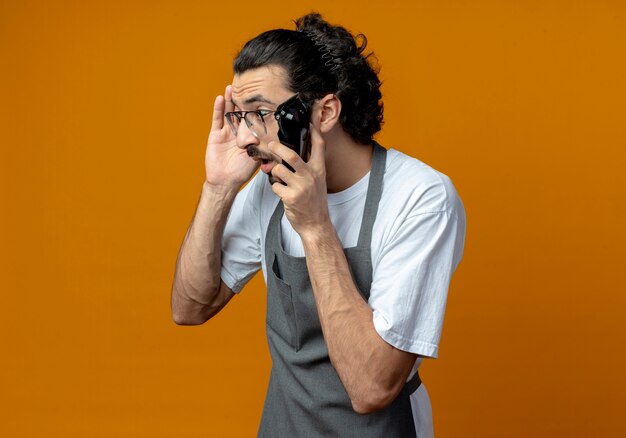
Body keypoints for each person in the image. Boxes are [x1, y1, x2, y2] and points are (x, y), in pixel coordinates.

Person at [171, 13, 466, 438]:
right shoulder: (265, 186)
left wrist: (314, 226)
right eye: (240, 117)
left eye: (260, 113)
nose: (244, 138)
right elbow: (189, 308)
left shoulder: (420, 197)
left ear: (324, 111)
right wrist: (218, 189)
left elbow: (372, 388)